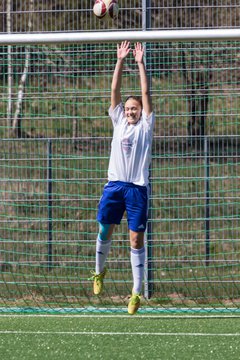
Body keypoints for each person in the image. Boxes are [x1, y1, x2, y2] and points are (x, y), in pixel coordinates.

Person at [90, 41, 155, 315]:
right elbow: (114, 91)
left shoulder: (146, 126)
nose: (130, 111)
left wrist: (139, 63)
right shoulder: (117, 121)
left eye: (134, 109)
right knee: (105, 229)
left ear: (141, 112)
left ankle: (136, 293)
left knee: (135, 240)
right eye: (128, 108)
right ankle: (98, 273)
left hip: (137, 189)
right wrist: (120, 60)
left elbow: (145, 91)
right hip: (115, 186)